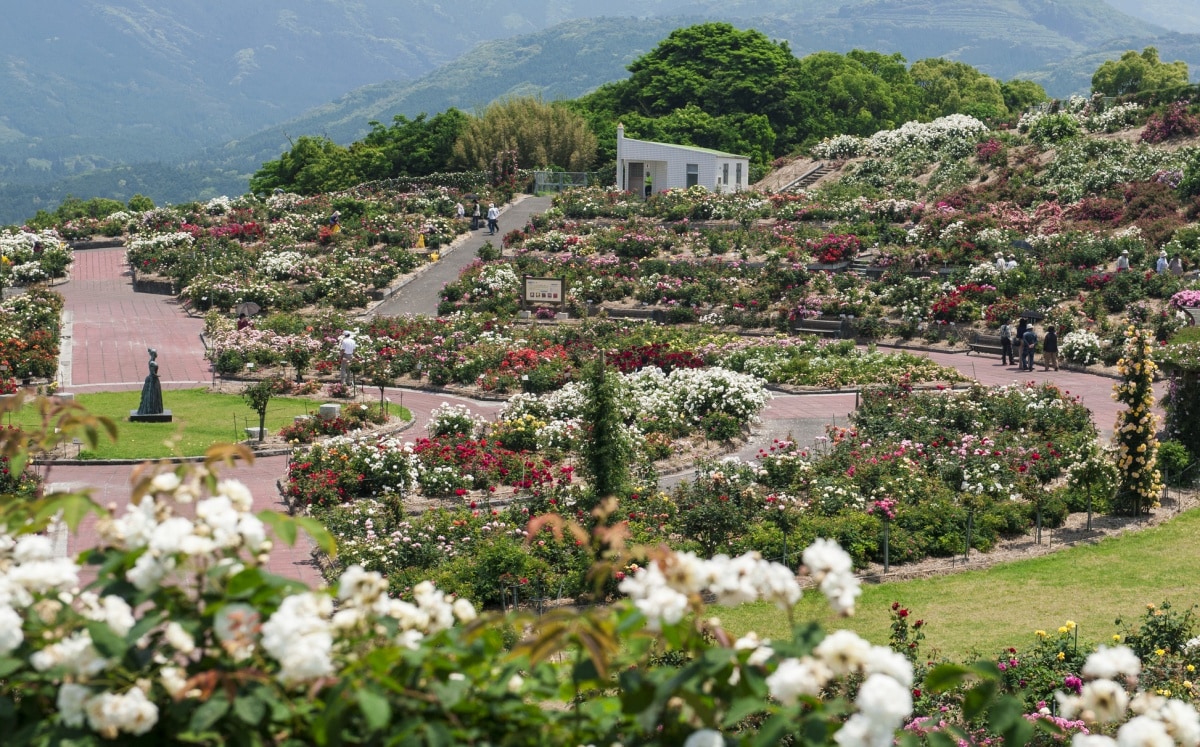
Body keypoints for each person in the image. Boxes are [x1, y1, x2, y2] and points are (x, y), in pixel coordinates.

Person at [136, 349, 164, 416]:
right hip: (152, 380)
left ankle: (154, 409)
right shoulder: (151, 363)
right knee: (152, 394)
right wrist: (158, 375)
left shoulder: (152, 362)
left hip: (154, 380)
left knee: (154, 394)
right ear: (154, 354)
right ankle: (151, 409)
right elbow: (152, 373)